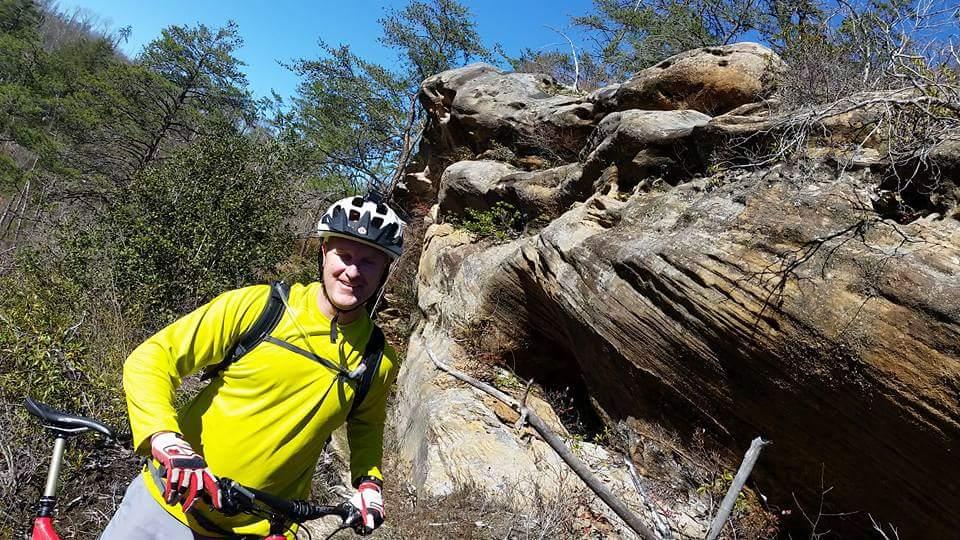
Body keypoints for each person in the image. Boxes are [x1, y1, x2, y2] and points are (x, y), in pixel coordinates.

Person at [100, 194, 405, 539]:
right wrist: (165, 438)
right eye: (344, 255)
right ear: (323, 253)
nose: (352, 271)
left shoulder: (376, 358)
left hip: (264, 529)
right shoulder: (260, 308)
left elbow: (366, 424)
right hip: (166, 509)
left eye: (368, 262)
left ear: (384, 271)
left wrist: (369, 483)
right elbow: (153, 357)